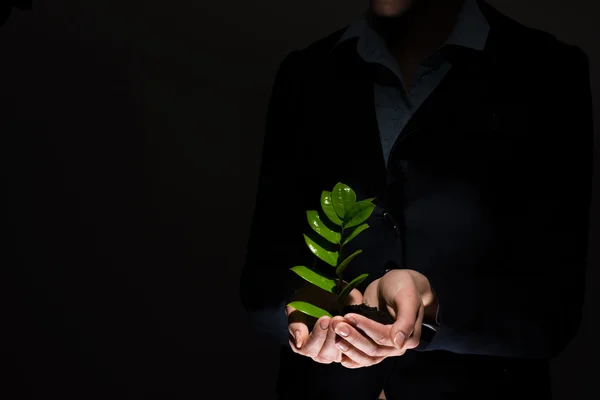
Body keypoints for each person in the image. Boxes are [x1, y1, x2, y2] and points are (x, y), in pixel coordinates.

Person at [240, 0, 593, 399]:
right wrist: (301, 306)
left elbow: (553, 310)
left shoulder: (548, 69)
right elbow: (262, 280)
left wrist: (432, 310)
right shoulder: (306, 73)